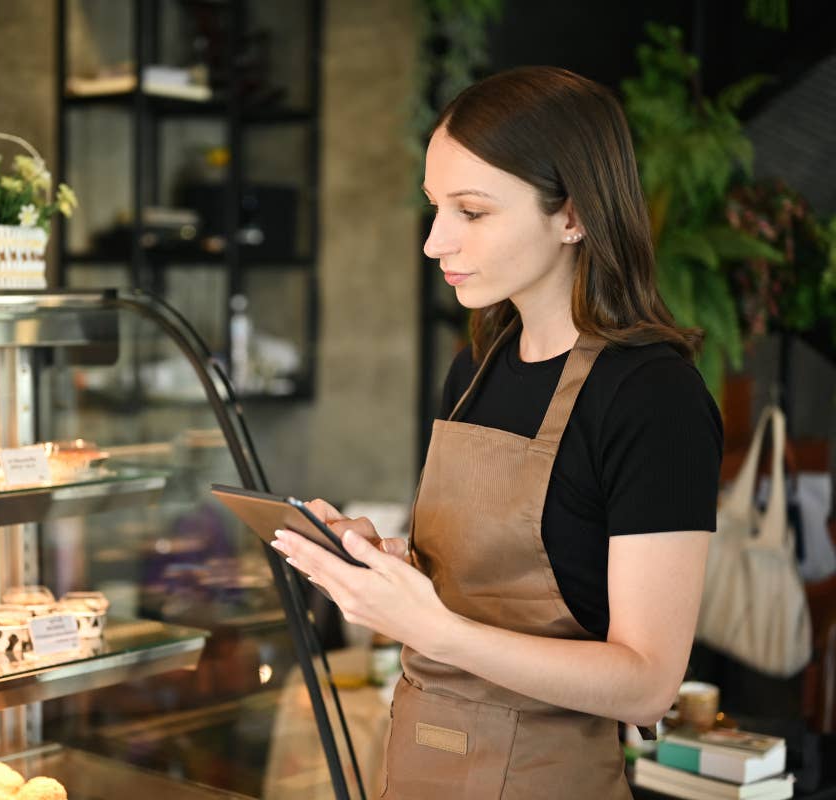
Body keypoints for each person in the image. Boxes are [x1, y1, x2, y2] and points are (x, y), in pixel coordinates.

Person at [270, 65, 722, 799]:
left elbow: (646, 684)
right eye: (433, 207)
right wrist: (381, 570)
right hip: (420, 765)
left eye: (471, 212)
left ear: (573, 214)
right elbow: (470, 595)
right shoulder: (477, 369)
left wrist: (437, 630)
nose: (434, 242)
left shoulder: (652, 398)